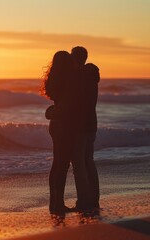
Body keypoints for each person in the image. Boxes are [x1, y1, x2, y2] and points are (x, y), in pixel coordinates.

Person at [41, 51, 81, 214]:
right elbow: (70, 104)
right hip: (65, 124)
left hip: (55, 124)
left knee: (56, 163)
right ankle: (59, 204)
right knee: (62, 165)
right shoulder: (70, 80)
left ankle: (54, 203)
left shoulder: (53, 80)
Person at [71, 46, 100, 210]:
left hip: (80, 125)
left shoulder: (80, 76)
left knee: (79, 163)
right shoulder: (91, 75)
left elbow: (77, 103)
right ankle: (93, 199)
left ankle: (83, 200)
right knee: (88, 161)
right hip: (91, 122)